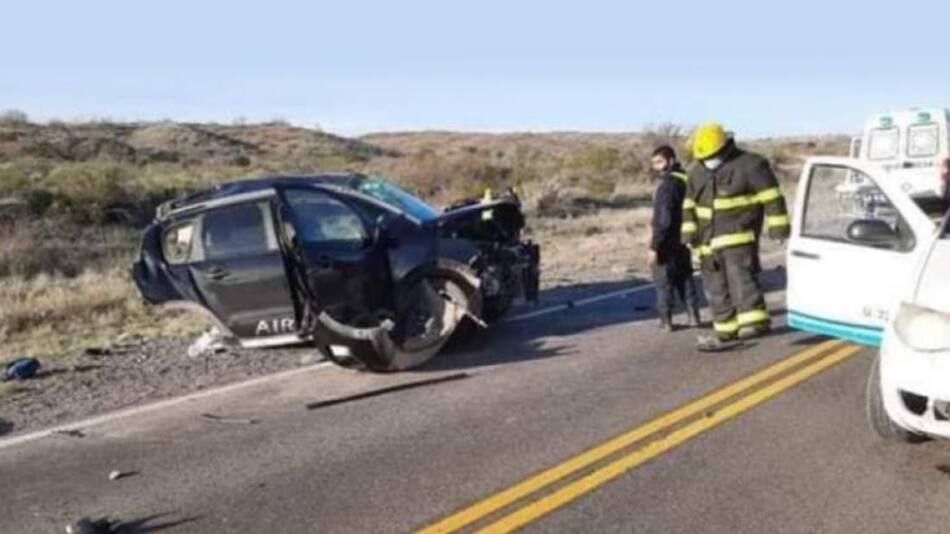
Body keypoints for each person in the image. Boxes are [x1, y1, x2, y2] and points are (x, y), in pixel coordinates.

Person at [681, 123, 790, 351]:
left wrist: (779, 229)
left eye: (712, 156)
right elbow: (689, 204)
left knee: (742, 280)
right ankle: (726, 329)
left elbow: (772, 198)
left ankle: (754, 322)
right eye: (704, 157)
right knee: (715, 287)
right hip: (706, 242)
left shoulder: (751, 165)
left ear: (724, 148)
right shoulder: (696, 171)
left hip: (738, 236)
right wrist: (688, 233)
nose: (708, 160)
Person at [648, 145, 701, 332]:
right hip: (685, 237)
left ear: (670, 161)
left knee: (664, 281)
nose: (657, 167)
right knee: (685, 277)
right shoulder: (687, 179)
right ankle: (693, 315)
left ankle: (666, 320)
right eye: (654, 163)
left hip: (668, 240)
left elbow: (664, 218)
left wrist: (655, 246)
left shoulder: (668, 186)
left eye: (660, 162)